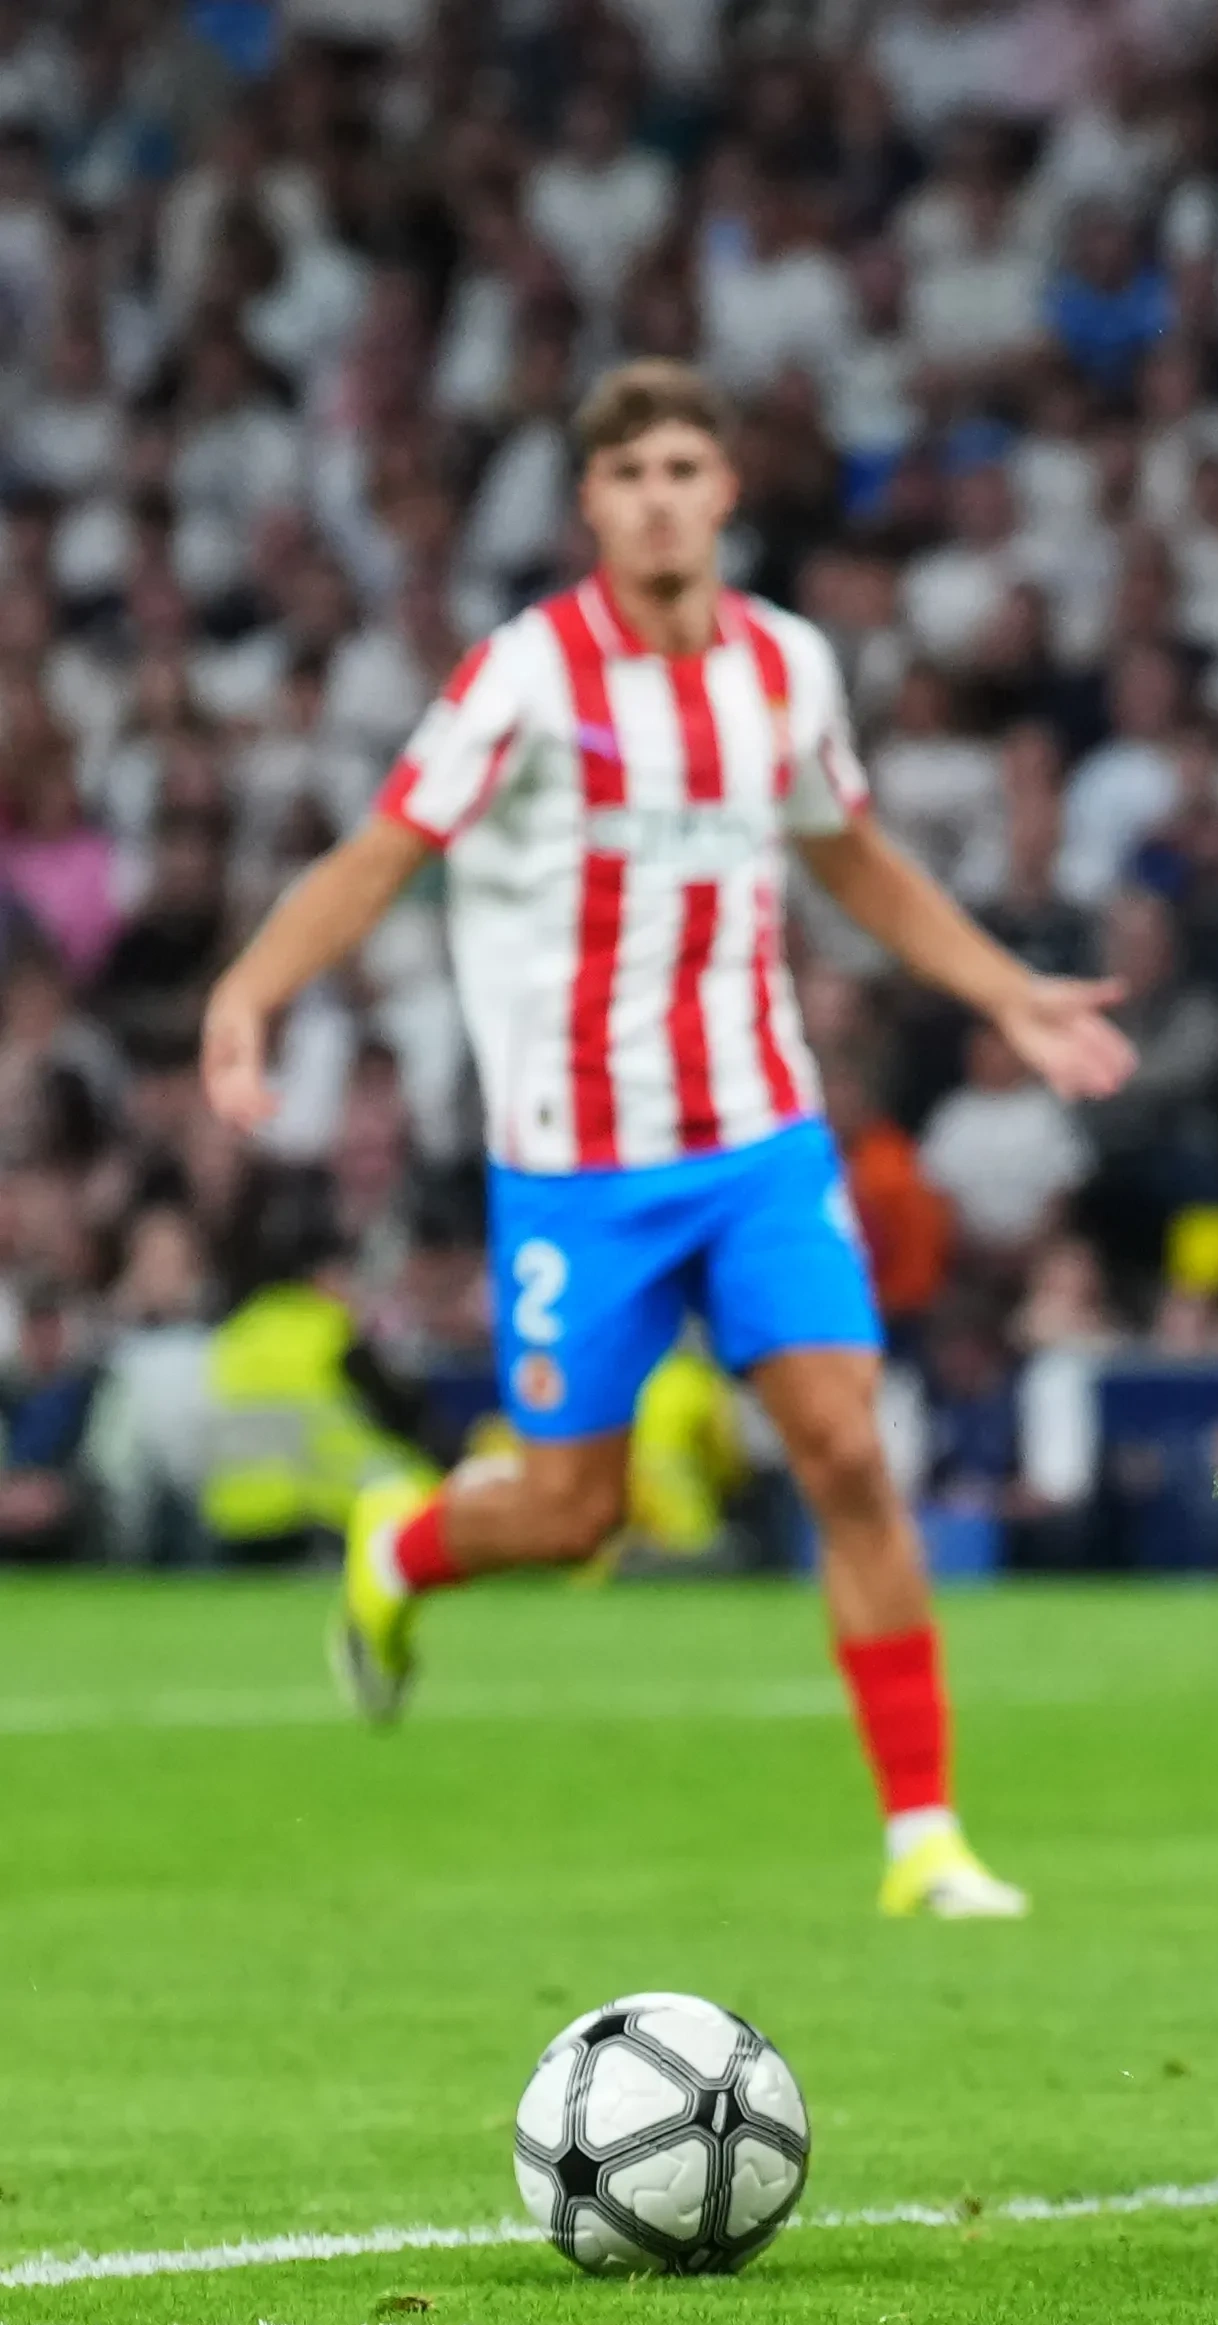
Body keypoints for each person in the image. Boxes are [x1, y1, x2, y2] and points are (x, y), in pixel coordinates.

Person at [198, 360, 1130, 1919]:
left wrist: (1006, 990)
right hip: (579, 1157)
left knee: (843, 1444)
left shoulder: (786, 666)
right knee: (578, 1511)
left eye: (685, 468)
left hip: (761, 1133)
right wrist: (254, 992)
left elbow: (855, 857)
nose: (659, 498)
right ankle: (408, 1541)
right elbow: (383, 850)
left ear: (726, 490)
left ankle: (925, 1839)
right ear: (590, 505)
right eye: (629, 476)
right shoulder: (525, 674)